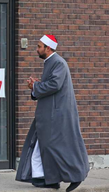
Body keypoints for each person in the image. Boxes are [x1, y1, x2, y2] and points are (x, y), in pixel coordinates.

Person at [15, 35, 90, 192]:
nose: (37, 49)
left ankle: (75, 176)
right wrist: (36, 86)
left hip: (57, 115)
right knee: (42, 146)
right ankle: (49, 180)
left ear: (48, 48)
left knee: (59, 147)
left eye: (39, 46)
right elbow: (50, 86)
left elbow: (54, 85)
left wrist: (35, 87)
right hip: (49, 114)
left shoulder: (58, 63)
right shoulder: (51, 62)